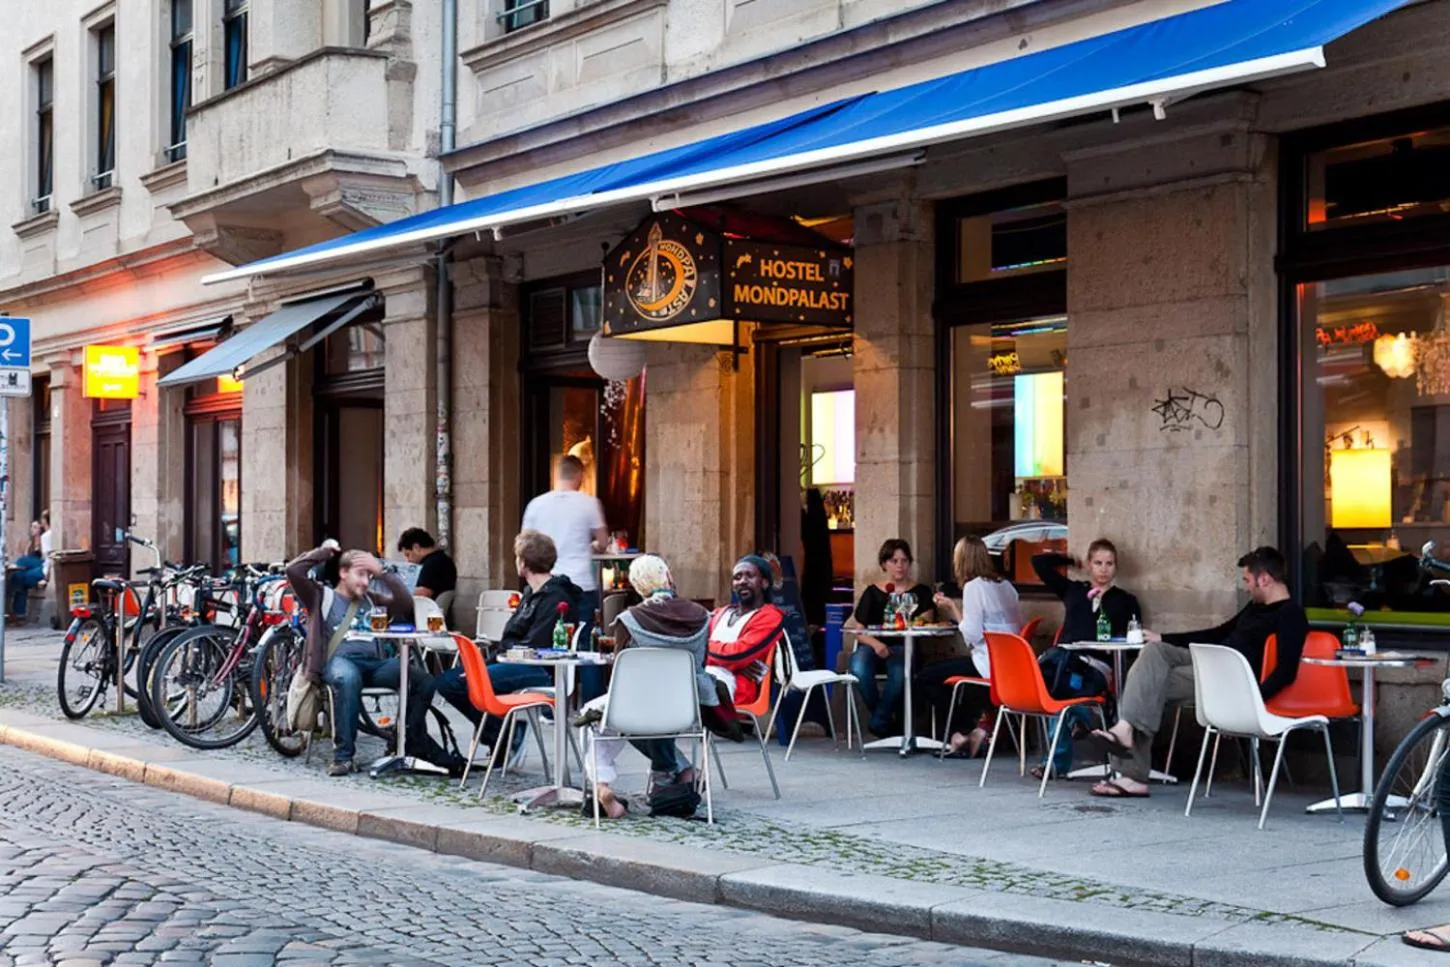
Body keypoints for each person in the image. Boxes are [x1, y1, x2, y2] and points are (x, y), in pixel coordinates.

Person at [1089, 546, 1307, 798]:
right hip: (1210, 663)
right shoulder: (1255, 607)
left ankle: (1131, 770)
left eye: (1247, 580)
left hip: (1231, 680)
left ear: (1265, 579)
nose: (1246, 587)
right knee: (1153, 652)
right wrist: (1163, 636)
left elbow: (1286, 670)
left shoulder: (1291, 614)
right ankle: (1126, 730)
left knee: (1147, 685)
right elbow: (1217, 634)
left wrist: (1253, 701)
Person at [285, 541, 459, 778]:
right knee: (348, 678)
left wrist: (383, 573)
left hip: (373, 665)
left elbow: (405, 605)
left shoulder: (371, 599)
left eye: (369, 576)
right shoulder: (321, 596)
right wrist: (325, 552)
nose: (366, 582)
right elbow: (294, 571)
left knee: (423, 680)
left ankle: (407, 740)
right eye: (361, 574)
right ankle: (343, 757)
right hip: (338, 661)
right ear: (343, 573)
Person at [578, 554, 712, 819]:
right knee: (632, 717)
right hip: (687, 706)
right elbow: (702, 661)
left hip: (639, 706)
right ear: (669, 577)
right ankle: (679, 771)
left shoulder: (629, 619)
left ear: (637, 586)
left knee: (596, 716)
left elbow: (619, 674)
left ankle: (602, 785)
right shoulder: (701, 616)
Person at [434, 530, 584, 759]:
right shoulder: (531, 593)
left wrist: (494, 662)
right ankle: (502, 735)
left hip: (538, 669)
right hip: (514, 661)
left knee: (462, 684)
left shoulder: (555, 598)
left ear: (523, 563)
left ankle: (505, 737)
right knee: (447, 681)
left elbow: (537, 646)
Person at [1032, 539, 1142, 779]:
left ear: (1116, 567)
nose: (1104, 569)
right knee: (1056, 686)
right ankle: (1081, 719)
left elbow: (1134, 640)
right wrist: (1071, 560)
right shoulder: (1074, 590)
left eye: (1109, 564)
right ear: (1090, 565)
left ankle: (1056, 760)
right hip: (1065, 662)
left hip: (1096, 667)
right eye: (1098, 563)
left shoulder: (1125, 600)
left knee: (1061, 694)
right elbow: (1039, 563)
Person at [917, 537, 1021, 758]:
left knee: (926, 677)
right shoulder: (1006, 586)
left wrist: (952, 608)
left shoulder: (974, 587)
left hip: (987, 663)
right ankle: (972, 730)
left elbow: (971, 635)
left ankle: (960, 733)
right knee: (945, 676)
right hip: (1011, 665)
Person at [522, 454, 609, 698]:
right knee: (585, 645)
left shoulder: (536, 505)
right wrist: (590, 546)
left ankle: (548, 700)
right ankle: (592, 704)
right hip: (580, 582)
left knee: (545, 642)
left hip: (546, 583)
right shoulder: (589, 503)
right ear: (580, 476)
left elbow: (524, 544)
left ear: (556, 475)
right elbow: (602, 542)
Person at [846, 539, 935, 738]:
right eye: (894, 560)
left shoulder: (920, 592)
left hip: (905, 645)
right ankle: (886, 721)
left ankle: (880, 721)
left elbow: (927, 618)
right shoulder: (873, 592)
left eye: (904, 560)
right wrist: (876, 644)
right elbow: (859, 631)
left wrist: (918, 619)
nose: (899, 565)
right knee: (858, 667)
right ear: (884, 563)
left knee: (898, 672)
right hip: (873, 645)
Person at [707, 555, 786, 714]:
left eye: (750, 576)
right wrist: (728, 661)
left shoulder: (770, 616)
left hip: (736, 690)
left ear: (764, 583)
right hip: (706, 679)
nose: (742, 581)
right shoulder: (720, 613)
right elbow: (688, 643)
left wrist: (703, 651)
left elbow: (737, 654)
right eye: (737, 577)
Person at [396, 528, 456, 600]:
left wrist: (397, 590)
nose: (408, 560)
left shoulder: (432, 564)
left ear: (416, 547)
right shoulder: (441, 559)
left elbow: (424, 592)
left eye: (408, 554)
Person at [9, 519, 51, 622]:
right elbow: (26, 555)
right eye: (32, 527)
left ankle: (18, 613)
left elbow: (47, 559)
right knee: (19, 577)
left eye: (35, 527)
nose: (32, 529)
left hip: (41, 566)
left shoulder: (44, 538)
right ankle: (19, 614)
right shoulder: (31, 542)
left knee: (20, 565)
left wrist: (46, 576)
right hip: (33, 568)